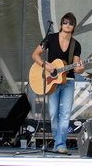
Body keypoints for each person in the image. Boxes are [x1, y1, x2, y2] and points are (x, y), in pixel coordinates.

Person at [31, 12, 84, 154]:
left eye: (71, 23)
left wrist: (80, 68)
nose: (67, 25)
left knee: (65, 114)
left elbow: (76, 66)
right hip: (51, 81)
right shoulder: (51, 38)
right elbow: (35, 54)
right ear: (61, 24)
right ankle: (57, 143)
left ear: (74, 27)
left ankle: (60, 144)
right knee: (54, 113)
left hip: (68, 81)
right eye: (65, 22)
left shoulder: (76, 44)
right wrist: (45, 65)